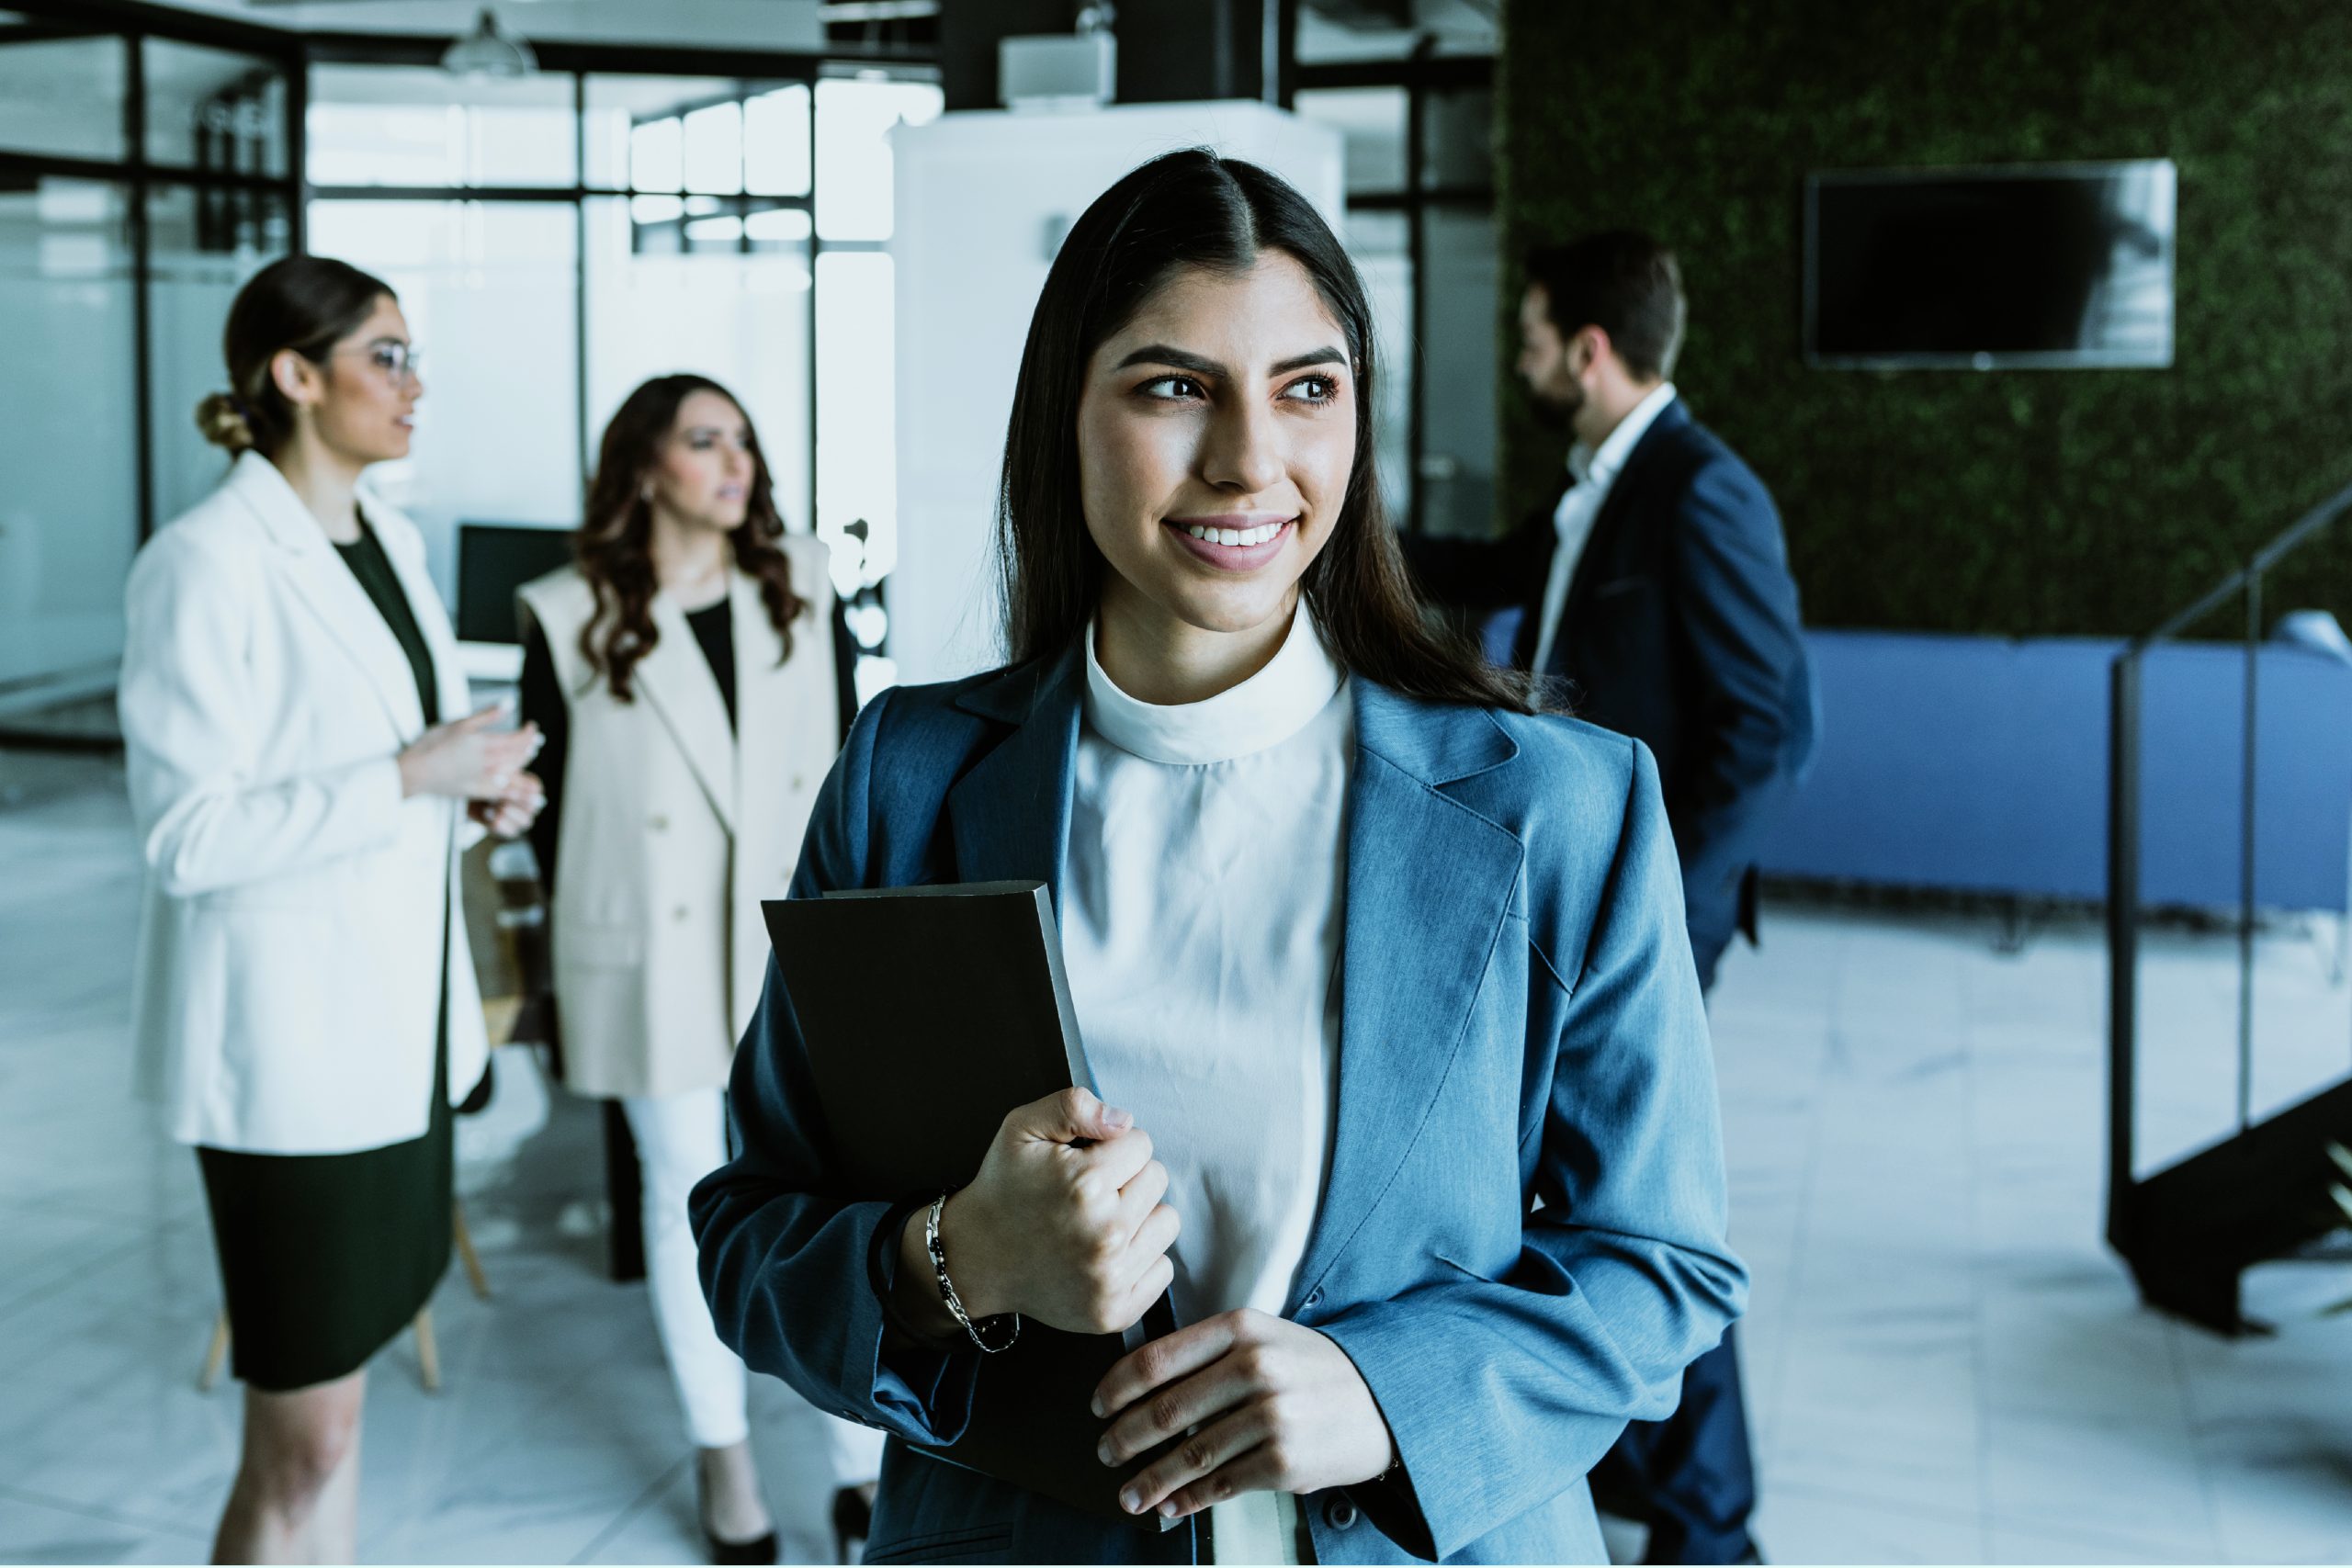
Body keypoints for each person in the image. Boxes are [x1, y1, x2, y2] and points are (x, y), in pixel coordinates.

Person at [690, 150, 1746, 1565]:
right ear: (1064, 414)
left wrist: (1388, 1395)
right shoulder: (910, 778)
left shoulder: (1564, 806)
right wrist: (961, 1258)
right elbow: (751, 1233)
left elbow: (1662, 1267)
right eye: (1174, 386)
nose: (1251, 458)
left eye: (1308, 388)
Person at [119, 254, 545, 1564]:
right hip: (291, 1067)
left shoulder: (388, 544)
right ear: (293, 377)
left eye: (415, 354)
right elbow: (188, 836)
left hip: (397, 1045)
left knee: (344, 1427)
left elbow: (383, 769)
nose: (416, 385)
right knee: (303, 1442)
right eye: (387, 355)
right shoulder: (202, 562)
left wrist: (462, 797)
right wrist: (410, 776)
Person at [1405, 231, 1812, 1564]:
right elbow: (1483, 569)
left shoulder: (1699, 489)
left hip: (1640, 932)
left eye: (1528, 341)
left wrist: (1664, 923)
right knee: (1577, 1188)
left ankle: (1712, 1529)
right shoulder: (1597, 486)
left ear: (1586, 350)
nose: (1522, 363)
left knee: (1645, 1211)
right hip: (1575, 918)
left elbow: (1771, 726)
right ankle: (1645, 1468)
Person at [516, 375, 883, 1564]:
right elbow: (548, 808)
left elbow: (844, 774)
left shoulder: (804, 585)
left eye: (745, 442)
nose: (738, 463)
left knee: (835, 1193)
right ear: (644, 468)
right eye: (705, 440)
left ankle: (861, 1463)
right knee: (683, 1196)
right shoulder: (565, 613)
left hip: (796, 943)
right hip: (649, 949)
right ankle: (725, 1464)